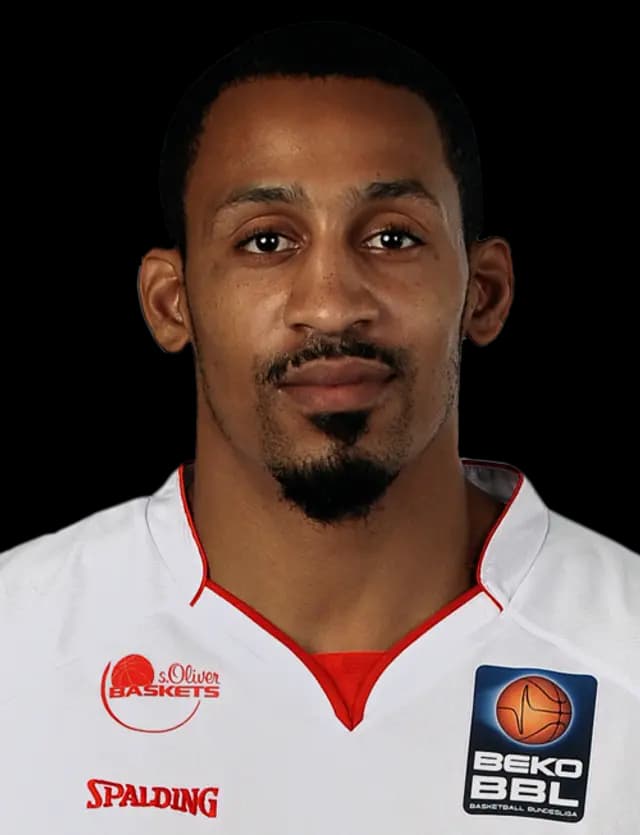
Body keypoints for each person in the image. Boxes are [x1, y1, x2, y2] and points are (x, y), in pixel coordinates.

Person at [1, 19, 638, 834]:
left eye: (392, 237)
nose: (332, 304)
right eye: (266, 241)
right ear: (171, 302)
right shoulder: (16, 645)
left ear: (483, 292)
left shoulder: (627, 648)